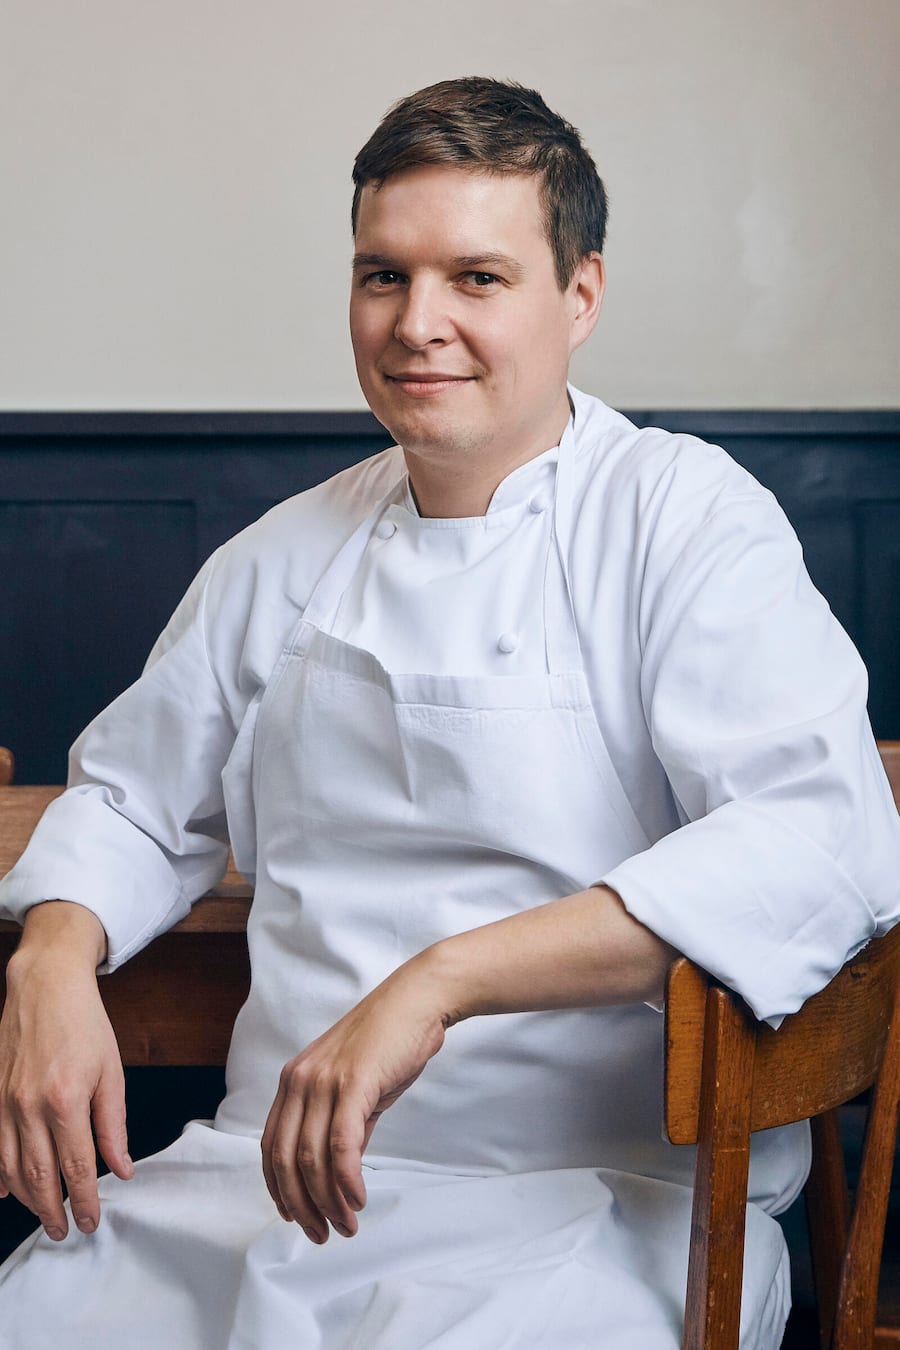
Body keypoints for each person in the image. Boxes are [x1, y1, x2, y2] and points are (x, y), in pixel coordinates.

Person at [0, 76, 898, 1350]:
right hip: (271, 1188)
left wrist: (442, 982)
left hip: (606, 1211)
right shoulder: (281, 557)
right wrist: (50, 958)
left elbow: (820, 836)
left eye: (477, 278)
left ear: (579, 296)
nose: (419, 323)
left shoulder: (683, 519)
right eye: (384, 276)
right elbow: (134, 804)